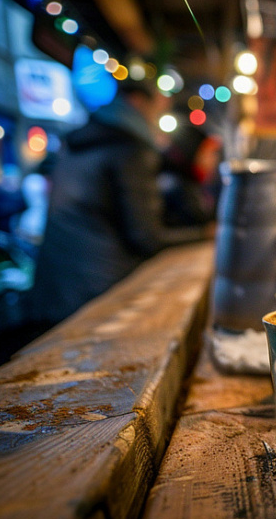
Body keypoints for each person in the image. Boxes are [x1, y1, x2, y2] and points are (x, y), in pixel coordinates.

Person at [22, 79, 214, 336]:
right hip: (99, 292)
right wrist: (205, 234)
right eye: (158, 105)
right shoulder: (131, 149)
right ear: (136, 102)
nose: (158, 115)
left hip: (54, 290)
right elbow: (146, 236)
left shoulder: (82, 141)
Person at [158, 124, 222, 227]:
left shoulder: (197, 185)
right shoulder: (174, 187)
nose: (214, 160)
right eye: (209, 153)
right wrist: (203, 232)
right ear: (193, 153)